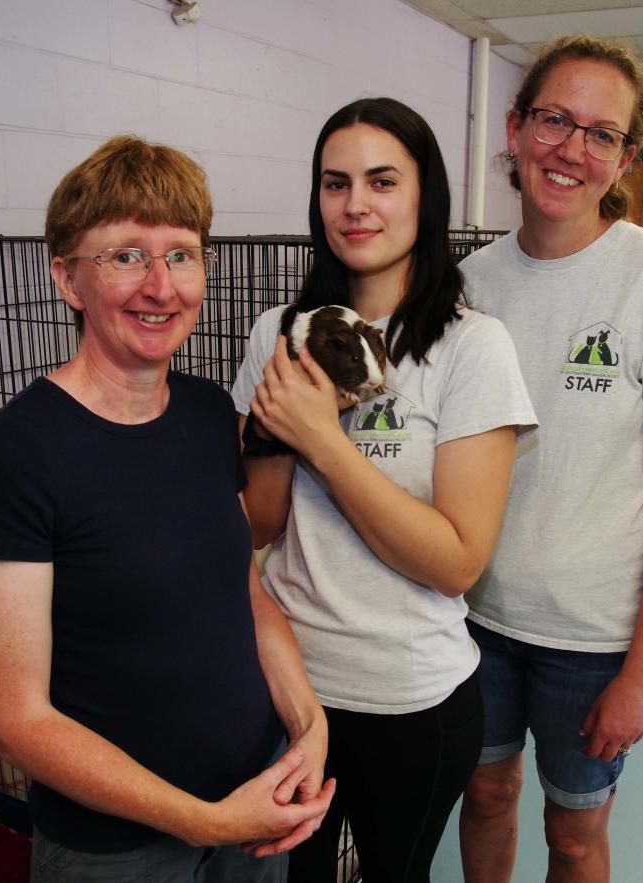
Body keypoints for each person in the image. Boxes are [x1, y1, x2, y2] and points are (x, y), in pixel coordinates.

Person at [0, 136, 335, 883]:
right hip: (119, 846)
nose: (161, 286)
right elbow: (18, 714)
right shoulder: (15, 451)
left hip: (256, 801)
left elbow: (245, 592)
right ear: (68, 278)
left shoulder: (203, 410)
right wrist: (206, 819)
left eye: (183, 254)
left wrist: (307, 721)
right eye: (126, 255)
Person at [457, 36, 643, 882]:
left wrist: (640, 676)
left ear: (625, 159)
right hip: (474, 619)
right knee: (484, 795)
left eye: (601, 134)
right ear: (515, 129)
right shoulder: (470, 284)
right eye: (554, 119)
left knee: (575, 836)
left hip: (591, 641)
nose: (571, 150)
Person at [231, 98, 537, 882]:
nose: (356, 204)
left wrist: (325, 441)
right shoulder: (277, 333)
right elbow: (260, 523)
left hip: (414, 699)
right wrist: (277, 428)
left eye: (382, 180)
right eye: (336, 184)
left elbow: (457, 562)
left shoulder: (471, 346)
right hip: (291, 687)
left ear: (424, 197)